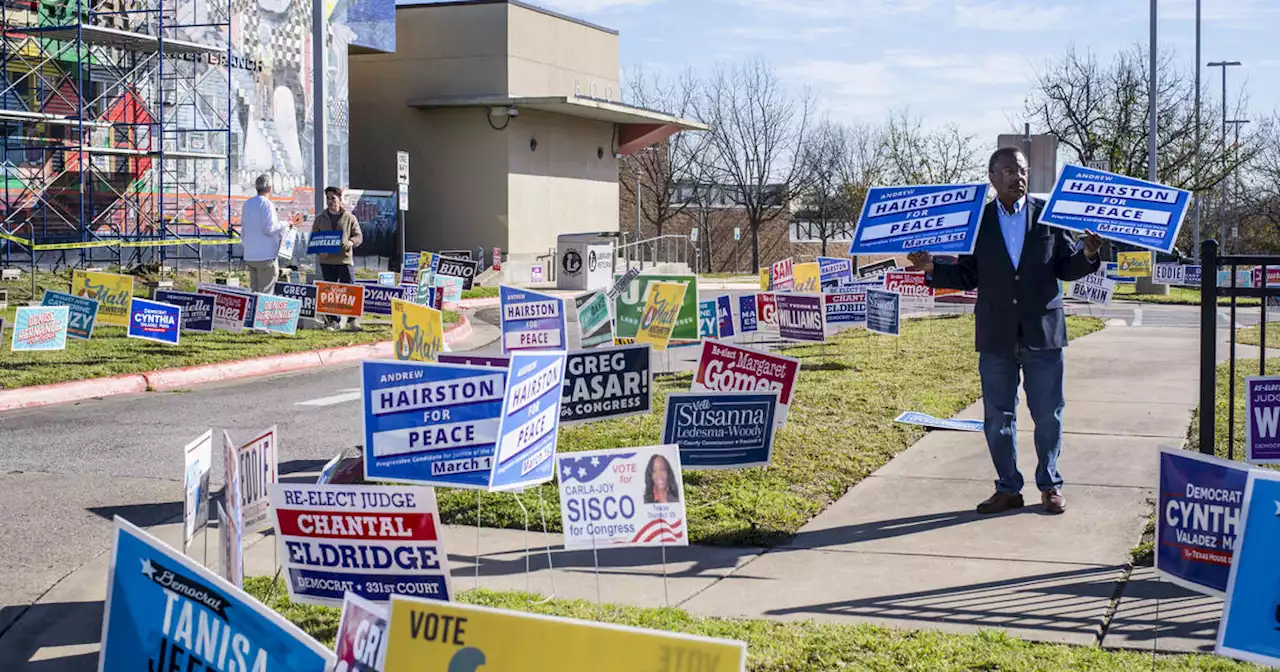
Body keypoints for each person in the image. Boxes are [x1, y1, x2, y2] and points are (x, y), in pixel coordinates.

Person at [907, 147, 1103, 515]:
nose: (1019, 177)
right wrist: (931, 267)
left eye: (1023, 170)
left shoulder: (1049, 216)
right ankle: (1008, 487)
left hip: (1043, 334)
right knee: (998, 417)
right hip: (996, 334)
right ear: (992, 177)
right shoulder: (977, 223)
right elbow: (967, 274)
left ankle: (1050, 484)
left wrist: (1088, 254)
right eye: (1010, 171)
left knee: (1048, 414)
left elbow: (1066, 267)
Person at [312, 186, 364, 331]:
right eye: (328, 198)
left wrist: (351, 242)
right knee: (330, 292)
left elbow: (358, 236)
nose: (330, 201)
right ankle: (334, 322)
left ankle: (353, 321)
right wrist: (319, 251)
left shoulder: (349, 217)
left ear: (340, 199)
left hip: (344, 260)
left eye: (333, 198)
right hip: (327, 261)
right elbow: (314, 238)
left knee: (350, 290)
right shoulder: (320, 219)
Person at [239, 175, 291, 294]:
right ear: (270, 188)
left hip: (250, 254)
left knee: (254, 291)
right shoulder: (267, 204)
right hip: (266, 256)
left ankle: (253, 312)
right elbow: (269, 228)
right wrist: (284, 224)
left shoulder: (248, 204)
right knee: (266, 293)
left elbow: (244, 228)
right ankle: (262, 313)